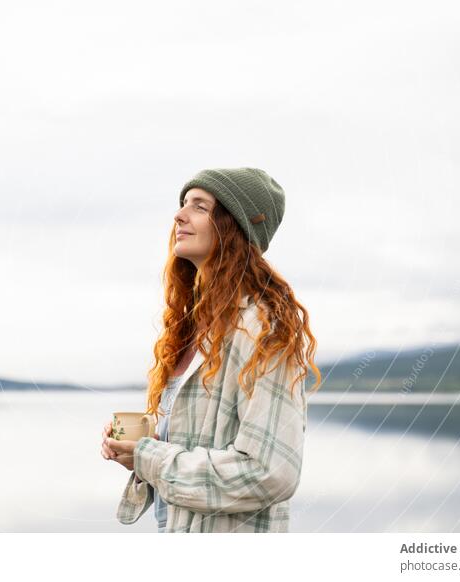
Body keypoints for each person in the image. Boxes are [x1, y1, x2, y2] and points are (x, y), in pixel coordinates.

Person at [100, 167, 322, 533]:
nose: (179, 215)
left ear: (233, 227)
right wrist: (139, 453)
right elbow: (189, 450)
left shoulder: (263, 329)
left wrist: (151, 456)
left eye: (199, 207)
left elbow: (270, 472)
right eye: (183, 203)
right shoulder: (192, 329)